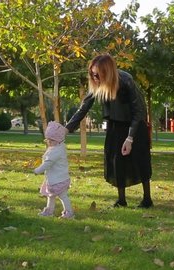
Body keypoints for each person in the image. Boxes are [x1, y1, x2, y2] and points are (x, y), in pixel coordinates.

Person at [66, 53, 153, 208]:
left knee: (141, 161)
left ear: (107, 72)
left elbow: (139, 111)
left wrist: (130, 138)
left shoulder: (126, 80)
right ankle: (121, 200)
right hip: (115, 127)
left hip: (135, 125)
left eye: (97, 74)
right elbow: (84, 107)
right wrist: (66, 129)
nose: (94, 77)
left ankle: (147, 199)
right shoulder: (97, 84)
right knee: (116, 162)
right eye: (92, 74)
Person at [34, 121, 74, 219]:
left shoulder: (56, 151)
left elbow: (48, 163)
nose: (49, 142)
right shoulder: (57, 147)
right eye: (47, 140)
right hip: (55, 178)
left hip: (58, 179)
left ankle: (69, 212)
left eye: (51, 141)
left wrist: (37, 170)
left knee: (62, 196)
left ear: (59, 140)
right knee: (50, 195)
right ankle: (49, 211)